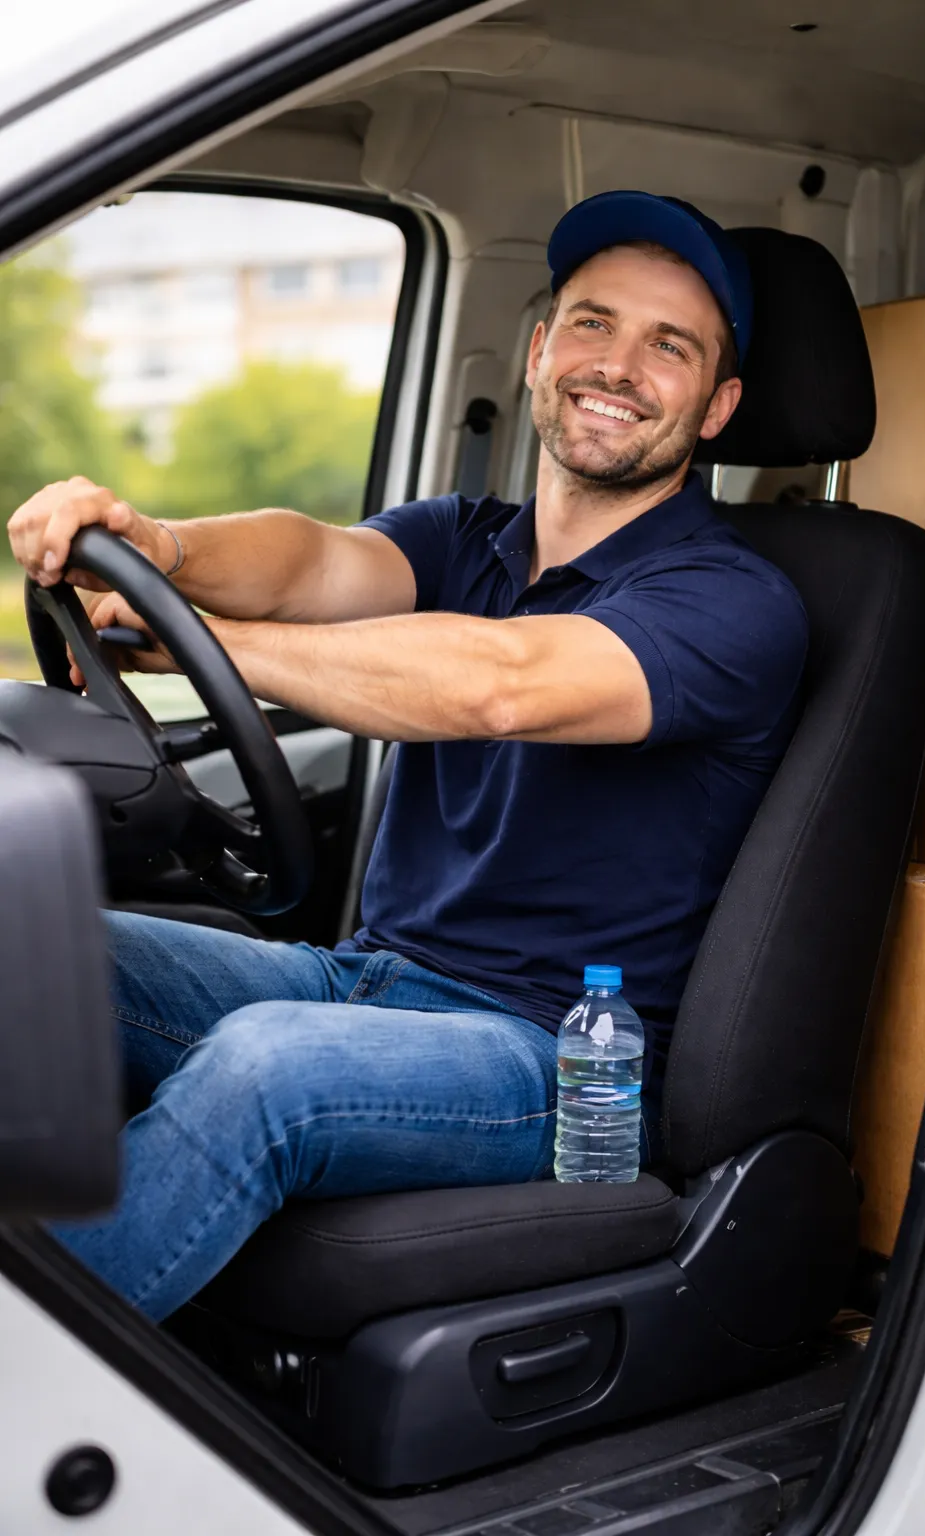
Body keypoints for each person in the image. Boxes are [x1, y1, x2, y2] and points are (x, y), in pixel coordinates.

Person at [7, 191, 808, 1322]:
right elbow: (307, 564)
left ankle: (31, 1393)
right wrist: (160, 547)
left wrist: (210, 650)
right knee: (26, 936)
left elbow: (498, 686)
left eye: (668, 346)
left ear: (717, 406)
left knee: (266, 1069)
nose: (616, 365)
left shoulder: (734, 602)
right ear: (538, 351)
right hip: (370, 980)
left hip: (555, 1057)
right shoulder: (462, 538)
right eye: (591, 323)